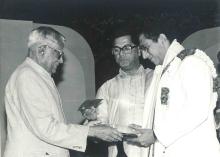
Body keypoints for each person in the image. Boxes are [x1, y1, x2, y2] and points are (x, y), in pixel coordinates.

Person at [3, 26, 122, 157]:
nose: (61, 60)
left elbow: (52, 125)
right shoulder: (27, 77)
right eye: (59, 54)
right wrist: (91, 131)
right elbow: (46, 128)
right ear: (42, 50)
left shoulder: (37, 76)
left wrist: (89, 127)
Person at [128, 29, 220, 157]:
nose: (144, 56)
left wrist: (156, 135)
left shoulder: (192, 63)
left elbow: (197, 109)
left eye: (146, 47)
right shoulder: (165, 71)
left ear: (162, 39)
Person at [95, 27, 156, 157]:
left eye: (127, 48)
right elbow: (99, 125)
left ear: (139, 50)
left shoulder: (155, 78)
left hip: (153, 150)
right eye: (117, 50)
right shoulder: (106, 88)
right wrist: (94, 124)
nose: (121, 54)